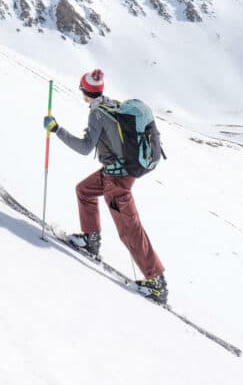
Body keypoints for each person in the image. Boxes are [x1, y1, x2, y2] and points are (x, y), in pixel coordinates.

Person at [43, 68, 167, 304]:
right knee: (84, 190)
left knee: (130, 229)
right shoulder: (112, 104)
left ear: (85, 91)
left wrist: (56, 130)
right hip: (114, 173)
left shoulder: (98, 114)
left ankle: (156, 283)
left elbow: (84, 148)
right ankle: (91, 240)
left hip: (117, 181)